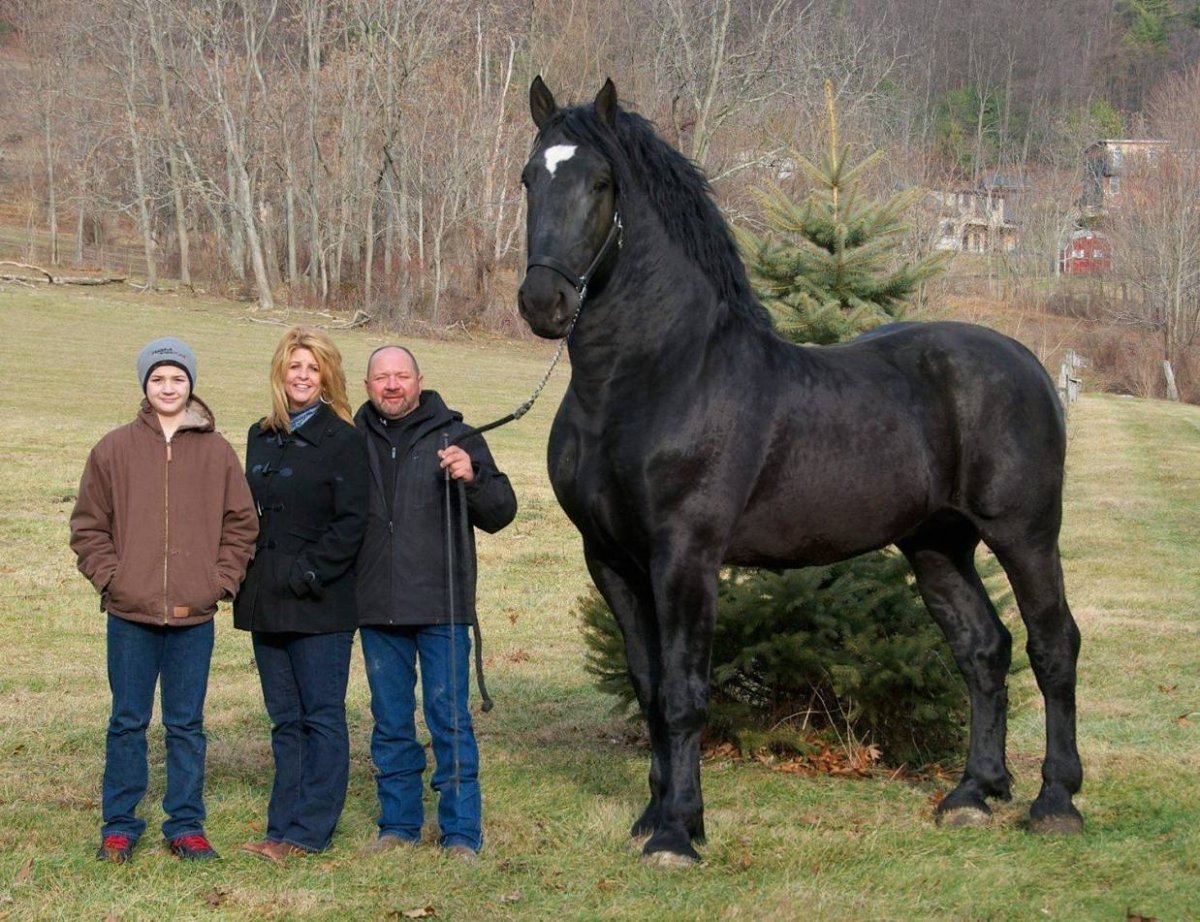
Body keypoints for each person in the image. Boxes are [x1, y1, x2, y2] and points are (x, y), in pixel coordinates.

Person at [70, 337, 258, 863]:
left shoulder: (217, 452)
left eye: (177, 378)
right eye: (158, 379)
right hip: (130, 614)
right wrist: (113, 580)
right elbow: (88, 525)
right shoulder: (114, 448)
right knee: (128, 720)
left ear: (191, 384)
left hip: (194, 616)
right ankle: (119, 823)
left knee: (186, 723)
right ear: (145, 386)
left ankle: (185, 824)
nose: (168, 387)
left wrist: (219, 582)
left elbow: (241, 524)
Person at [355, 345, 517, 859]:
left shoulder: (458, 435)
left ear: (420, 380)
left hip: (442, 607)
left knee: (449, 719)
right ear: (367, 386)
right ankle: (398, 825)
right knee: (390, 721)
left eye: (401, 375)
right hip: (377, 607)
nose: (392, 385)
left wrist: (473, 477)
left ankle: (461, 833)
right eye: (382, 377)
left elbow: (502, 512)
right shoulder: (349, 440)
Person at [234, 327, 368, 863]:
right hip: (266, 599)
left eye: (312, 368)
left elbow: (352, 521)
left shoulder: (345, 439)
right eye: (294, 367)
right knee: (284, 718)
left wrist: (309, 573)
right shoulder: (261, 434)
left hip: (320, 602)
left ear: (327, 376)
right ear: (280, 373)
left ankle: (310, 831)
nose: (303, 377)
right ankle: (279, 826)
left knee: (321, 715)